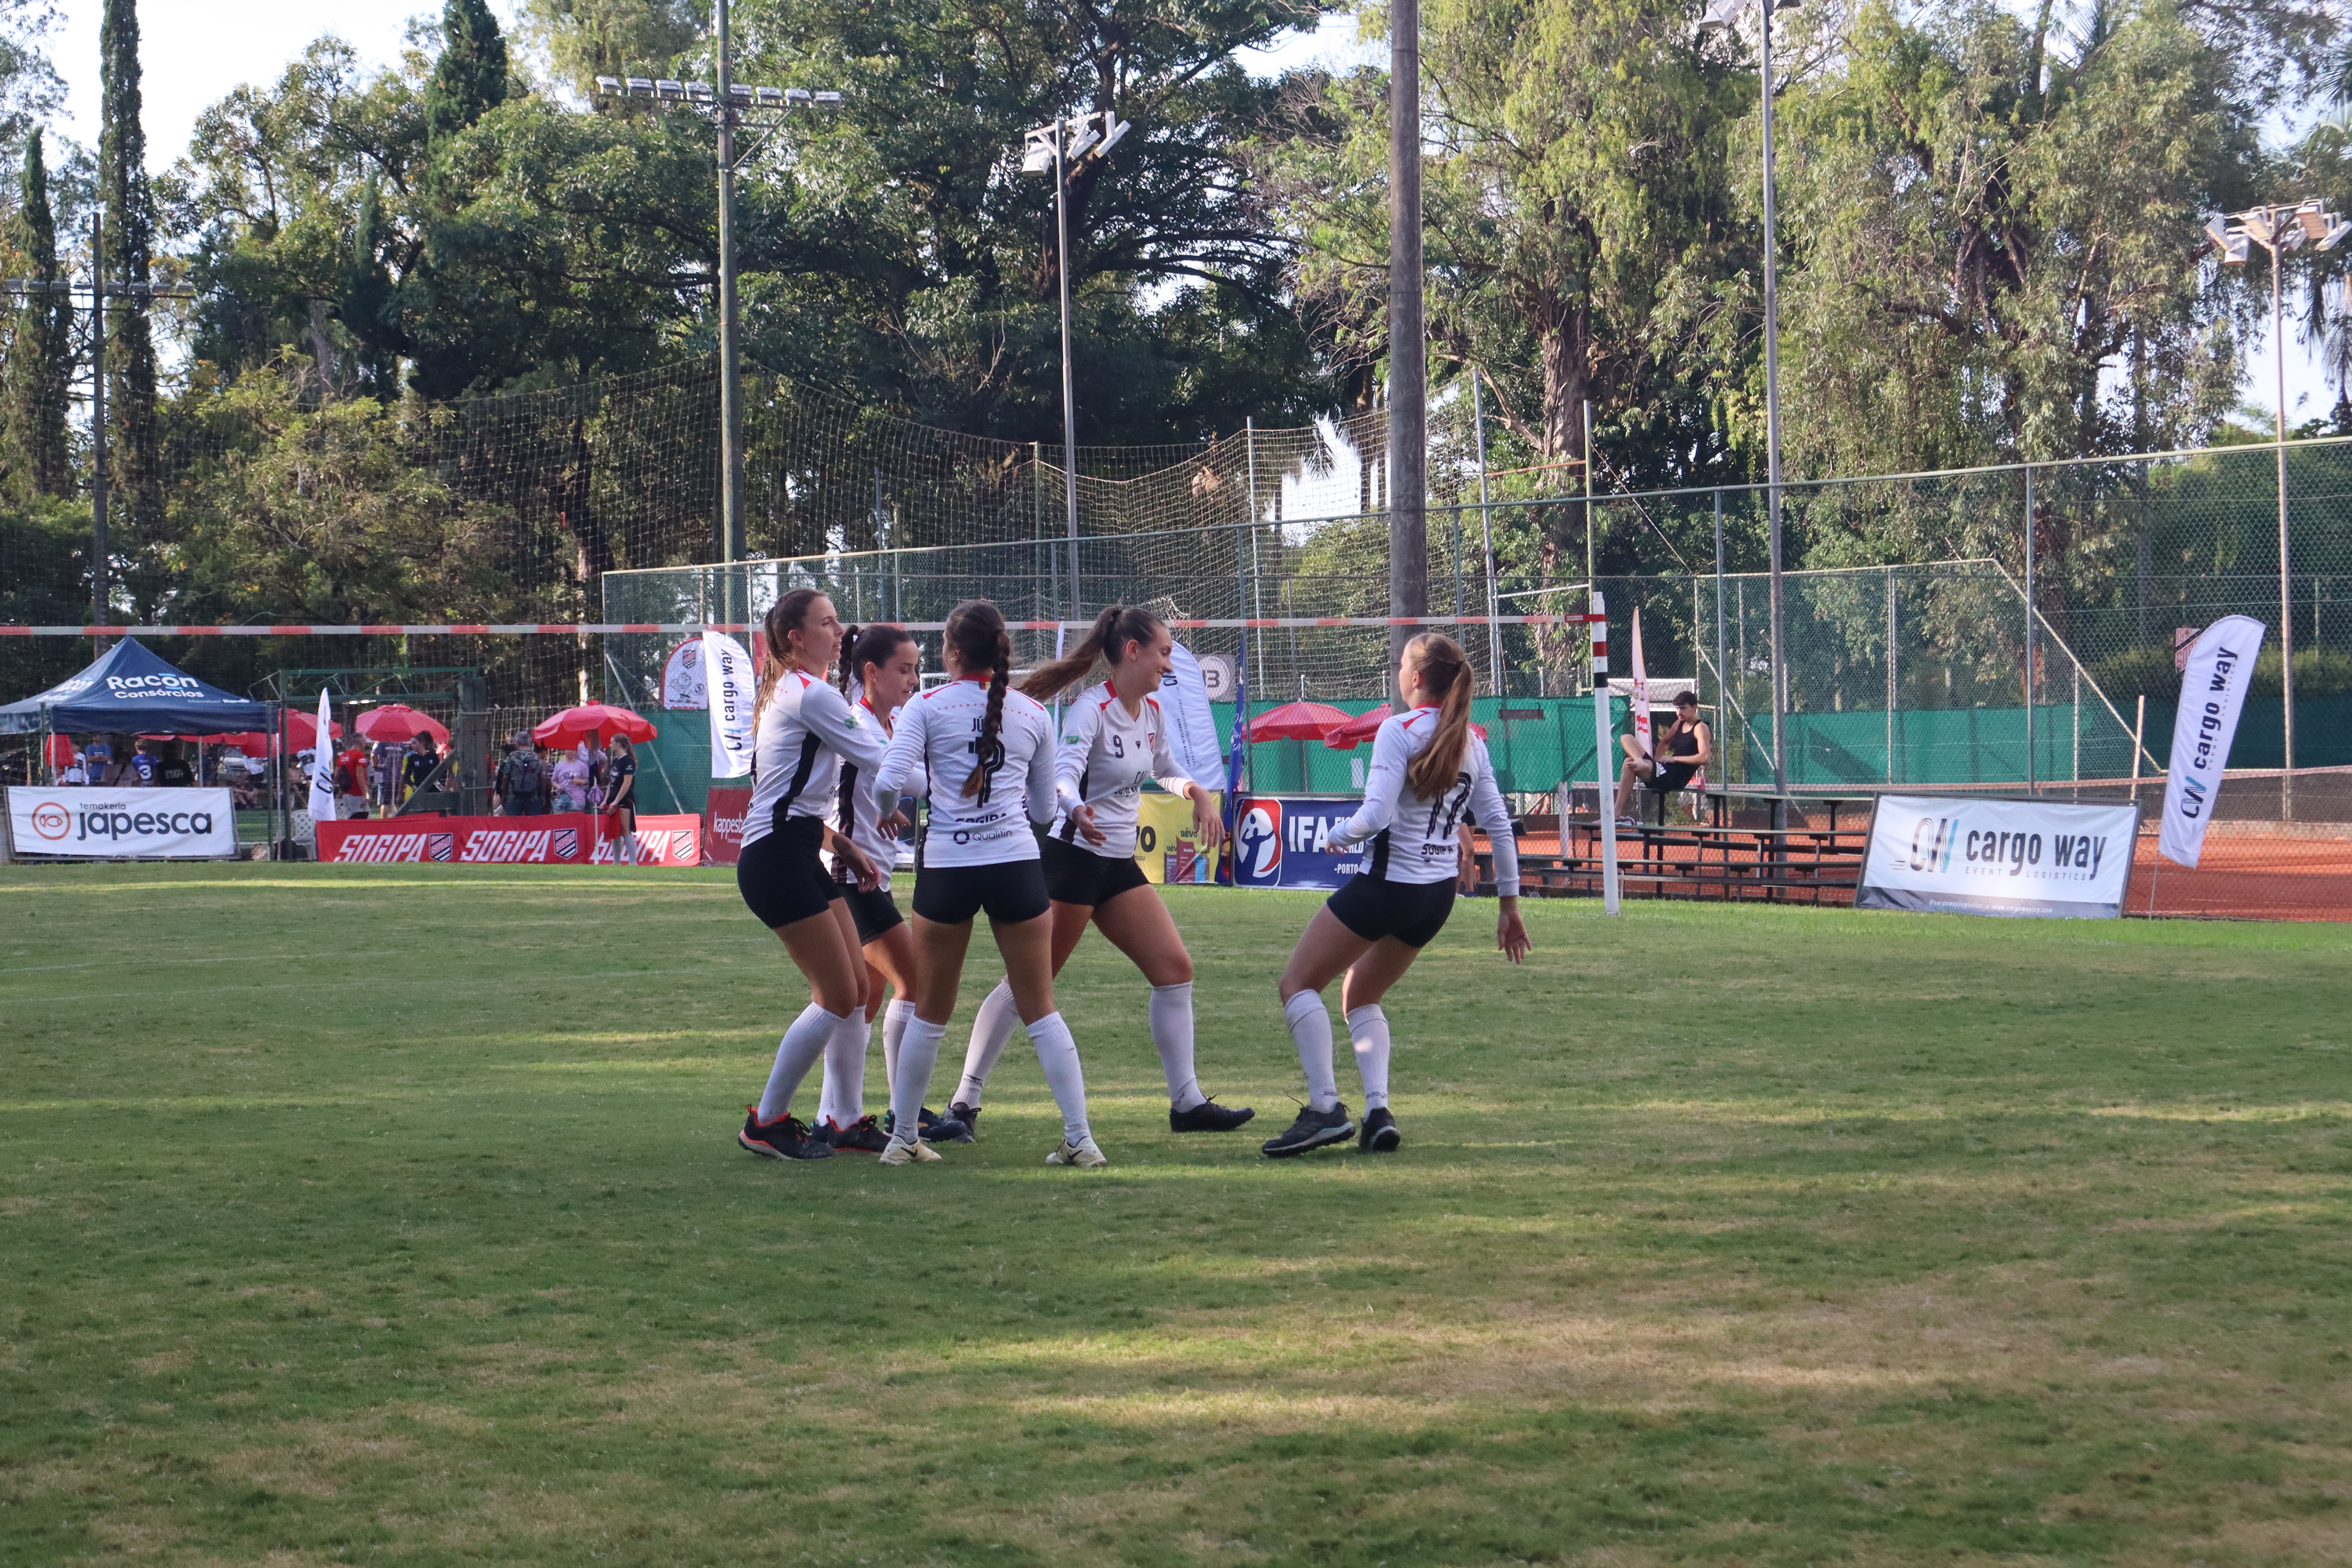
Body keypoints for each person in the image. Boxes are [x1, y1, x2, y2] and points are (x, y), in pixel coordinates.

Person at [945, 604, 1251, 1138]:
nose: (1168, 661)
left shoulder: (1152, 710)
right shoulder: (1093, 708)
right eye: (1162, 651)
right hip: (1073, 863)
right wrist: (1074, 809)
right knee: (1028, 987)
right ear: (1131, 651)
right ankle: (962, 1105)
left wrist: (1197, 792)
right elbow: (1062, 777)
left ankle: (1187, 1103)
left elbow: (1167, 771)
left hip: (1116, 866)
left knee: (1175, 970)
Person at [1260, 633, 1530, 1159]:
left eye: (1402, 662)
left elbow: (1375, 818)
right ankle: (1378, 1112)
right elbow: (1499, 827)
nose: (1399, 670)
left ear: (1415, 678)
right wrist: (1509, 908)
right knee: (1360, 996)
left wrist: (1334, 836)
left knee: (1297, 984)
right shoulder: (1471, 741)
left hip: (1388, 886)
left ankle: (1324, 1110)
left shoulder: (1399, 730)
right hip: (1435, 900)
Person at [870, 599, 1107, 1168]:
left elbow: (888, 780)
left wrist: (885, 812)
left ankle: (903, 1139)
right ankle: (1081, 1140)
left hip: (948, 868)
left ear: (952, 652)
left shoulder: (924, 706)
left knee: (931, 1010)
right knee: (1040, 1007)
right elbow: (1047, 810)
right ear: (1001, 649)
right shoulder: (1030, 713)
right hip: (1017, 867)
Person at [733, 588, 897, 1163]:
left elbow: (789, 801)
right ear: (795, 639)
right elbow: (882, 759)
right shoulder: (810, 693)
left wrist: (842, 843)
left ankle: (845, 1120)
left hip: (795, 849)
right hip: (777, 860)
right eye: (825, 623)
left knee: (856, 992)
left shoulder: (799, 691)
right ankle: (766, 1120)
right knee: (837, 995)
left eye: (836, 621)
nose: (837, 631)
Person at [808, 622, 953, 1149]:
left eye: (916, 669)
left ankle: (837, 1117)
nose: (913, 680)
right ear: (872, 673)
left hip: (872, 876)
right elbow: (908, 778)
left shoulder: (884, 725)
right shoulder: (859, 724)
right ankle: (901, 1113)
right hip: (849, 877)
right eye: (905, 669)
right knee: (915, 981)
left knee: (859, 1004)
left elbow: (892, 783)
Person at [1613, 688, 1711, 828]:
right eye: (1677, 708)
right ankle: (1641, 762)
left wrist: (1675, 759)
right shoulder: (1678, 724)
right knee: (1626, 738)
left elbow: (1706, 758)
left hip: (1675, 778)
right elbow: (1665, 741)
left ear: (1694, 708)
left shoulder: (1701, 728)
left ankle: (1616, 812)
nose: (1679, 712)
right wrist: (1657, 759)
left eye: (1683, 708)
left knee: (1629, 762)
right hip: (1664, 769)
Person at [495, 734, 550, 816]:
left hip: (514, 796)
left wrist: (504, 795)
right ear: (528, 743)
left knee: (512, 823)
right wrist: (543, 796)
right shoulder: (535, 757)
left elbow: (506, 777)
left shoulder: (512, 757)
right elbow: (542, 778)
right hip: (532, 796)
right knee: (534, 822)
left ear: (517, 743)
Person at [604, 734, 638, 833]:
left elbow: (627, 783)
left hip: (624, 800)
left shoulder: (628, 761)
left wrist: (616, 801)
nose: (610, 745)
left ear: (618, 745)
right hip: (613, 799)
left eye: (612, 743)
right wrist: (606, 800)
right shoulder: (616, 761)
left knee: (625, 829)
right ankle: (617, 849)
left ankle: (632, 849)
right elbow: (612, 781)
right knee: (614, 831)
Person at [401, 732, 442, 802]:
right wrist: (415, 787)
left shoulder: (432, 756)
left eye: (414, 743)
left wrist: (439, 785)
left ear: (422, 743)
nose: (412, 746)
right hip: (420, 790)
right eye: (411, 744)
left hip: (433, 790)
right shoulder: (412, 758)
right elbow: (406, 777)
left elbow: (439, 771)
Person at [552, 744, 591, 813]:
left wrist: (580, 782)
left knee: (574, 818)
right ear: (564, 751)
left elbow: (588, 781)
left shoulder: (582, 766)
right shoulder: (559, 766)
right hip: (562, 796)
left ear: (576, 752)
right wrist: (558, 786)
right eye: (568, 749)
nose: (570, 751)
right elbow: (553, 781)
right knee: (559, 818)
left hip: (577, 797)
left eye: (572, 750)